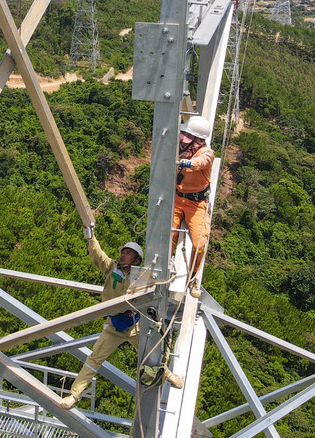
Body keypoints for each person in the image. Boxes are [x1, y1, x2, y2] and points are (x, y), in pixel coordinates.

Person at [61, 230, 182, 410]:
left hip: (135, 324)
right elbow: (98, 255)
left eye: (127, 253)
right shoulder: (112, 268)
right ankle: (75, 395)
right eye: (122, 252)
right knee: (95, 358)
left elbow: (160, 282)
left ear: (136, 260)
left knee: (153, 354)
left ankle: (167, 374)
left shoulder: (142, 276)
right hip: (115, 324)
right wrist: (91, 237)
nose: (122, 255)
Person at [171, 116, 215, 299]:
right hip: (176, 197)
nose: (181, 139)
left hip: (195, 203)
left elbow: (203, 161)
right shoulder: (181, 150)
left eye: (186, 136)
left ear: (196, 140)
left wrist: (189, 163)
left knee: (199, 243)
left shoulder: (204, 153)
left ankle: (193, 276)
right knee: (167, 236)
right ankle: (165, 265)